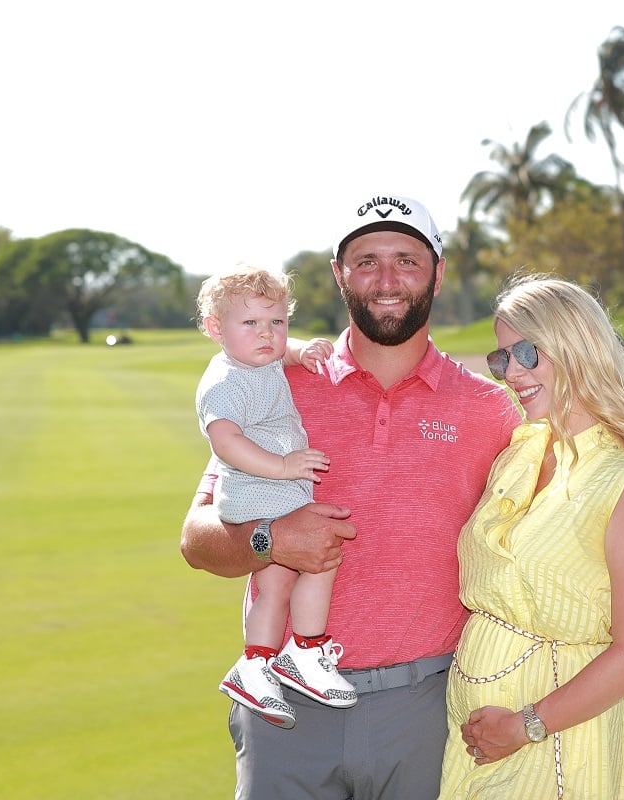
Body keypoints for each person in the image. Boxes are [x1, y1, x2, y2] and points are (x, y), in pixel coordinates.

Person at [179, 195, 523, 800]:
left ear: (438, 274)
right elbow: (197, 540)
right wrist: (272, 539)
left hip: (427, 707)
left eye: (406, 260)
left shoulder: (489, 409)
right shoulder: (271, 384)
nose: (386, 280)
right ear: (339, 275)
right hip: (286, 706)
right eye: (365, 261)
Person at [439, 275, 624, 799]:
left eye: (526, 353)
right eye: (500, 359)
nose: (511, 373)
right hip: (474, 742)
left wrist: (523, 726)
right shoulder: (520, 454)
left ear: (574, 347)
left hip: (554, 738)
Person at [194, 264, 358, 730]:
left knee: (299, 571)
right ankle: (278, 658)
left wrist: (302, 350)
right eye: (250, 323)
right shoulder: (225, 383)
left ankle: (280, 656)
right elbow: (225, 441)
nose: (267, 335)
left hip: (275, 490)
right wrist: (284, 467)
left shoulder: (257, 359)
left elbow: (279, 356)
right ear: (215, 329)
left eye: (277, 322)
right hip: (257, 492)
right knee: (300, 566)